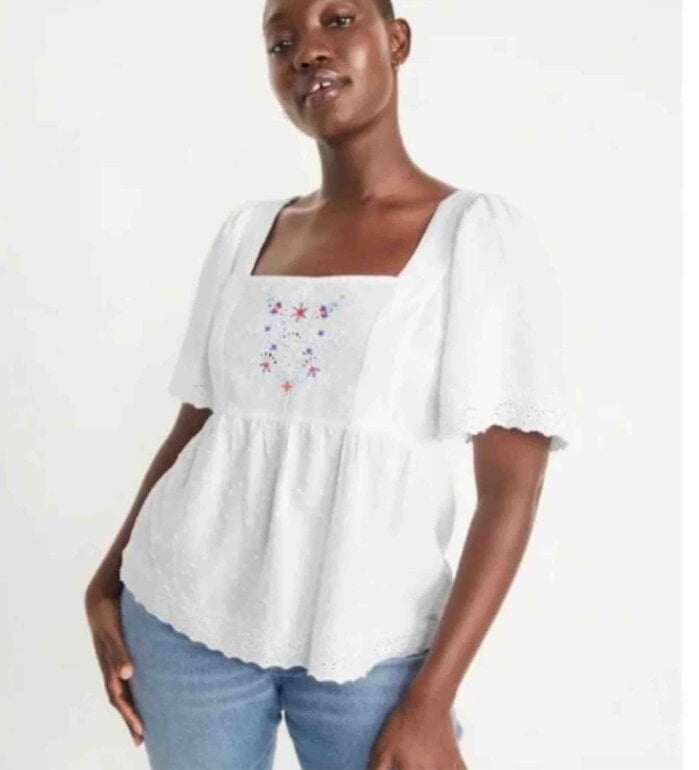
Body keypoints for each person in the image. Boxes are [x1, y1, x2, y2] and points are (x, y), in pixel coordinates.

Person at [84, 0, 573, 768]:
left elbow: (512, 489)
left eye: (337, 20)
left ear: (397, 39)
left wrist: (431, 699)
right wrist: (107, 580)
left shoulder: (474, 236)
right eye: (280, 42)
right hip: (183, 619)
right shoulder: (247, 232)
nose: (307, 51)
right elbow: (197, 424)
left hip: (370, 641)